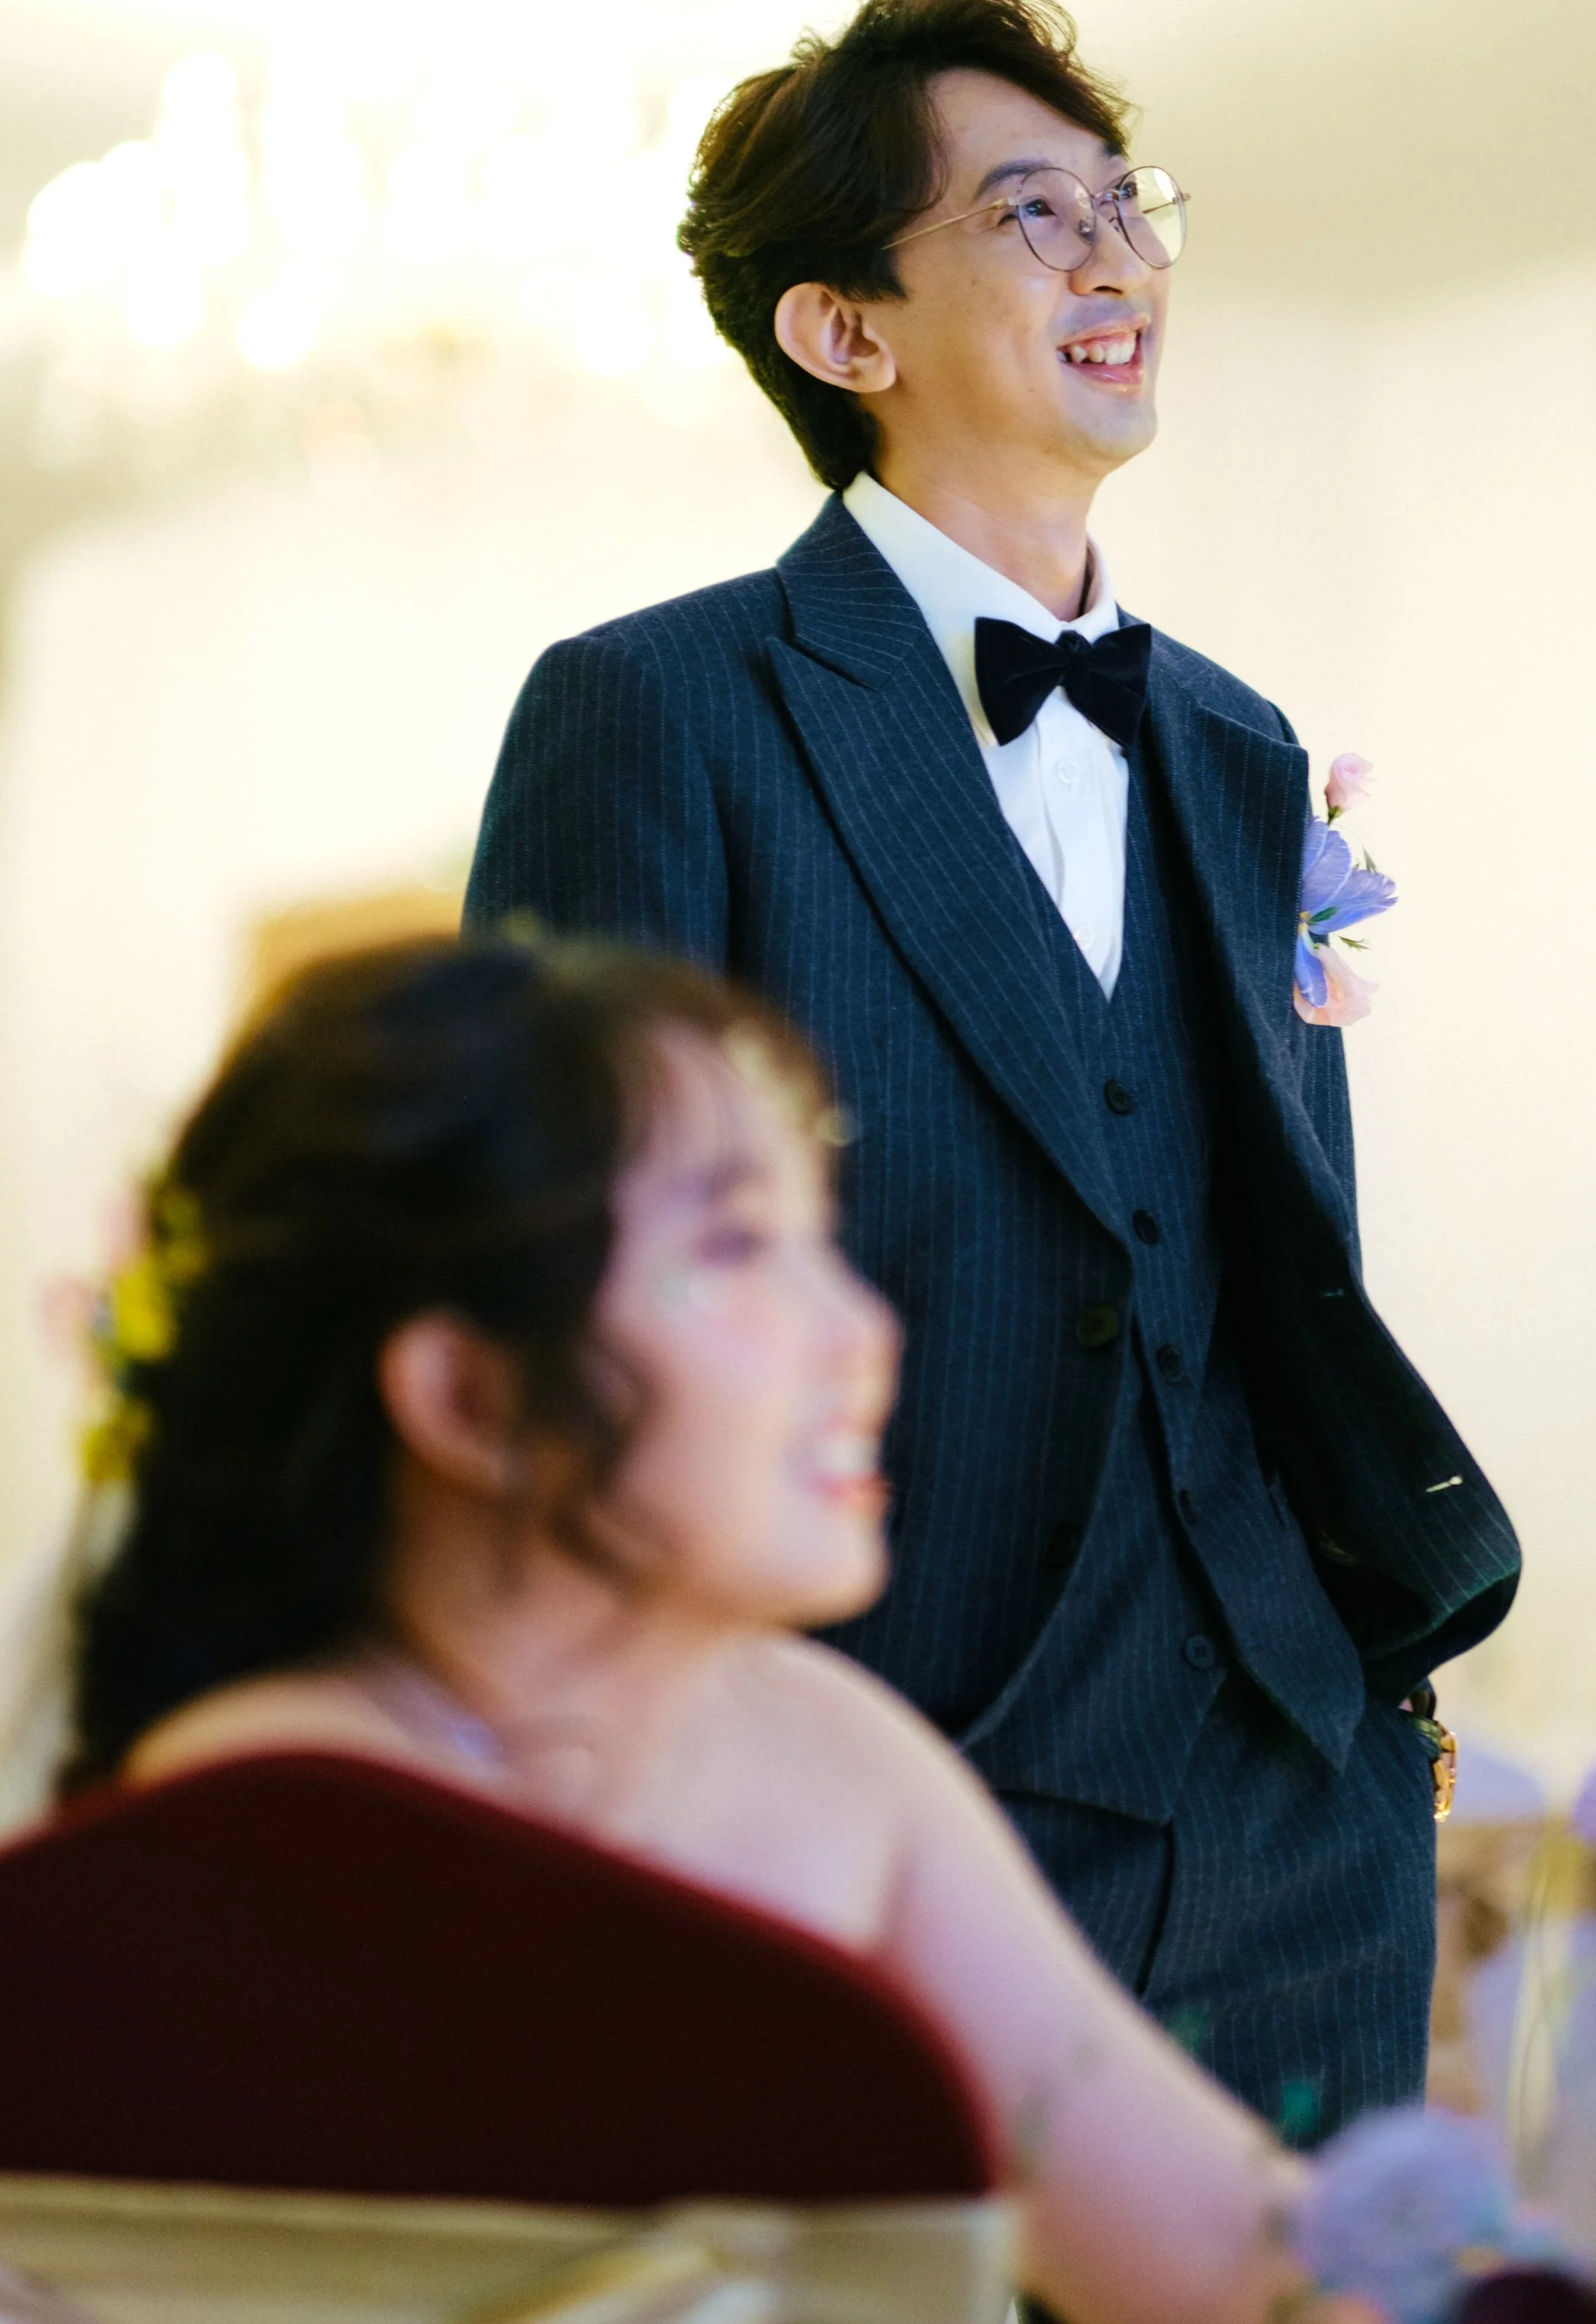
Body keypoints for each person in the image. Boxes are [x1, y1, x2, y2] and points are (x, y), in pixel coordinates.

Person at [465, 0, 1522, 2138]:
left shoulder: (1234, 746)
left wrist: (1352, 1690)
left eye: (1128, 203)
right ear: (841, 330)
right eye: (1034, 212)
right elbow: (557, 1280)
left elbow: (1274, 1242)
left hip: (1289, 1794)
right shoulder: (656, 711)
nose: (1118, 257)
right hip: (874, 1780)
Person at [63, 933, 1305, 2324]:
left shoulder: (825, 1754)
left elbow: (1220, 2252)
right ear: (470, 1395)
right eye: (736, 1246)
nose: (863, 1332)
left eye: (821, 1240)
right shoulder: (273, 1813)